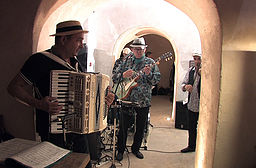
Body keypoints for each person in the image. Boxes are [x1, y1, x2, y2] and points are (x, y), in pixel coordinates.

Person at [7, 20, 115, 168]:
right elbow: (13, 87)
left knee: (84, 165)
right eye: (78, 40)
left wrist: (103, 99)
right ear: (64, 39)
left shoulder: (76, 63)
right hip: (53, 133)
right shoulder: (39, 61)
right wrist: (39, 104)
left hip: (78, 131)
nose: (82, 45)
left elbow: (85, 96)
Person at [112, 37, 161, 161]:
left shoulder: (150, 63)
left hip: (143, 100)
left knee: (140, 127)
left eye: (141, 49)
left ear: (145, 49)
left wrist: (149, 74)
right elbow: (114, 78)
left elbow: (156, 80)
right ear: (132, 49)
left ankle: (136, 149)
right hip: (126, 98)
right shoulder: (125, 61)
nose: (138, 51)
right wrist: (123, 75)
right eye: (136, 49)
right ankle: (120, 150)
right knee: (123, 127)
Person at [180, 52, 201, 153]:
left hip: (202, 105)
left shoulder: (207, 72)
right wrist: (185, 87)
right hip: (192, 103)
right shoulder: (191, 71)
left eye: (199, 59)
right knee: (191, 127)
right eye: (195, 59)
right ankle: (191, 146)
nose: (197, 61)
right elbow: (183, 84)